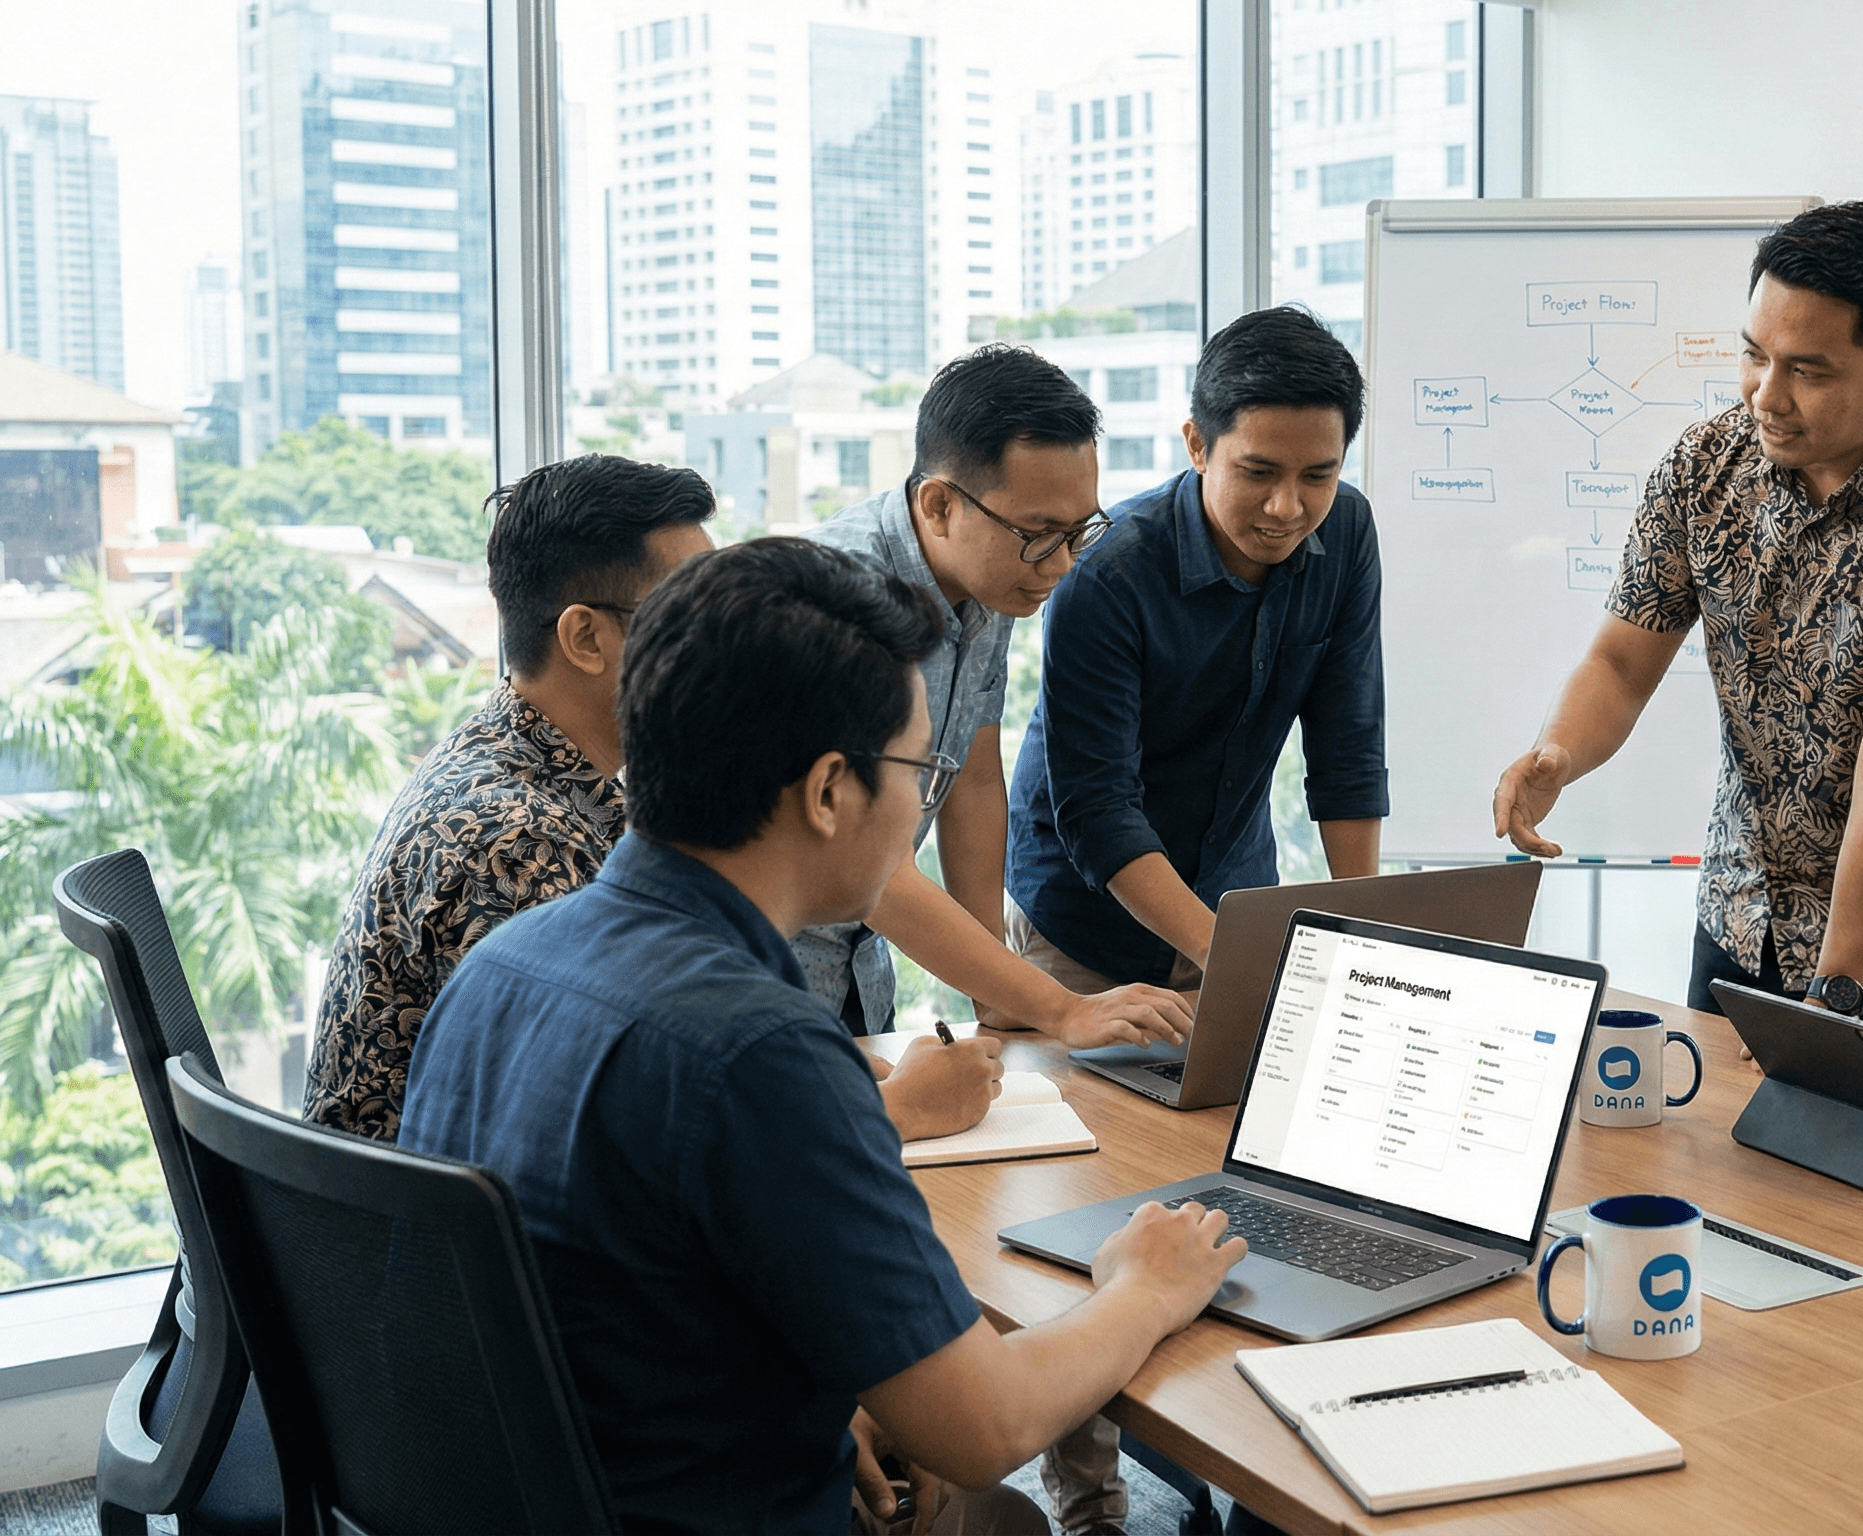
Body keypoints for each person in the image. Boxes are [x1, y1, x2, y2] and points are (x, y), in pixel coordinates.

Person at [399, 538, 1249, 1536]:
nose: (919, 806)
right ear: (830, 790)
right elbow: (989, 1425)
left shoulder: (507, 963)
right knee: (1003, 1512)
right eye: (920, 769)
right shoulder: (758, 1050)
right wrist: (1142, 1288)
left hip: (539, 1495)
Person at [303, 455, 993, 1148]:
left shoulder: (525, 764)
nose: (727, 638)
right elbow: (617, 1129)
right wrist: (899, 1110)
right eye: (687, 610)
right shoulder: (519, 838)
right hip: (422, 1246)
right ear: (584, 637)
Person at [1492, 201, 1863, 1059]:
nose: (1765, 396)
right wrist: (1557, 756)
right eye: (1754, 355)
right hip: (1741, 914)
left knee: (1858, 1193)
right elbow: (1624, 660)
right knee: (1710, 1172)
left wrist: (1834, 993)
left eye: (1807, 372)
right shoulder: (1704, 467)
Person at [801, 344, 1193, 1052]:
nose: (1065, 564)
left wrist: (995, 988)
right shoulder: (841, 599)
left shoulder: (992, 582)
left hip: (855, 976)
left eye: (1079, 532)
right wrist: (1059, 1008)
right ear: (940, 503)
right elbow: (866, 859)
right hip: (759, 973)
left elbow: (974, 781)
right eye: (1040, 535)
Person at [1005, 305, 1385, 993]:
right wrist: (1231, 955)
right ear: (1198, 445)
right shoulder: (1106, 574)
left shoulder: (1348, 531)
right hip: (1084, 929)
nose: (1287, 508)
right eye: (1259, 473)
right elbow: (1099, 809)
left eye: (1317, 476)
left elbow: (1347, 750)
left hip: (1236, 903)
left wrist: (1373, 949)